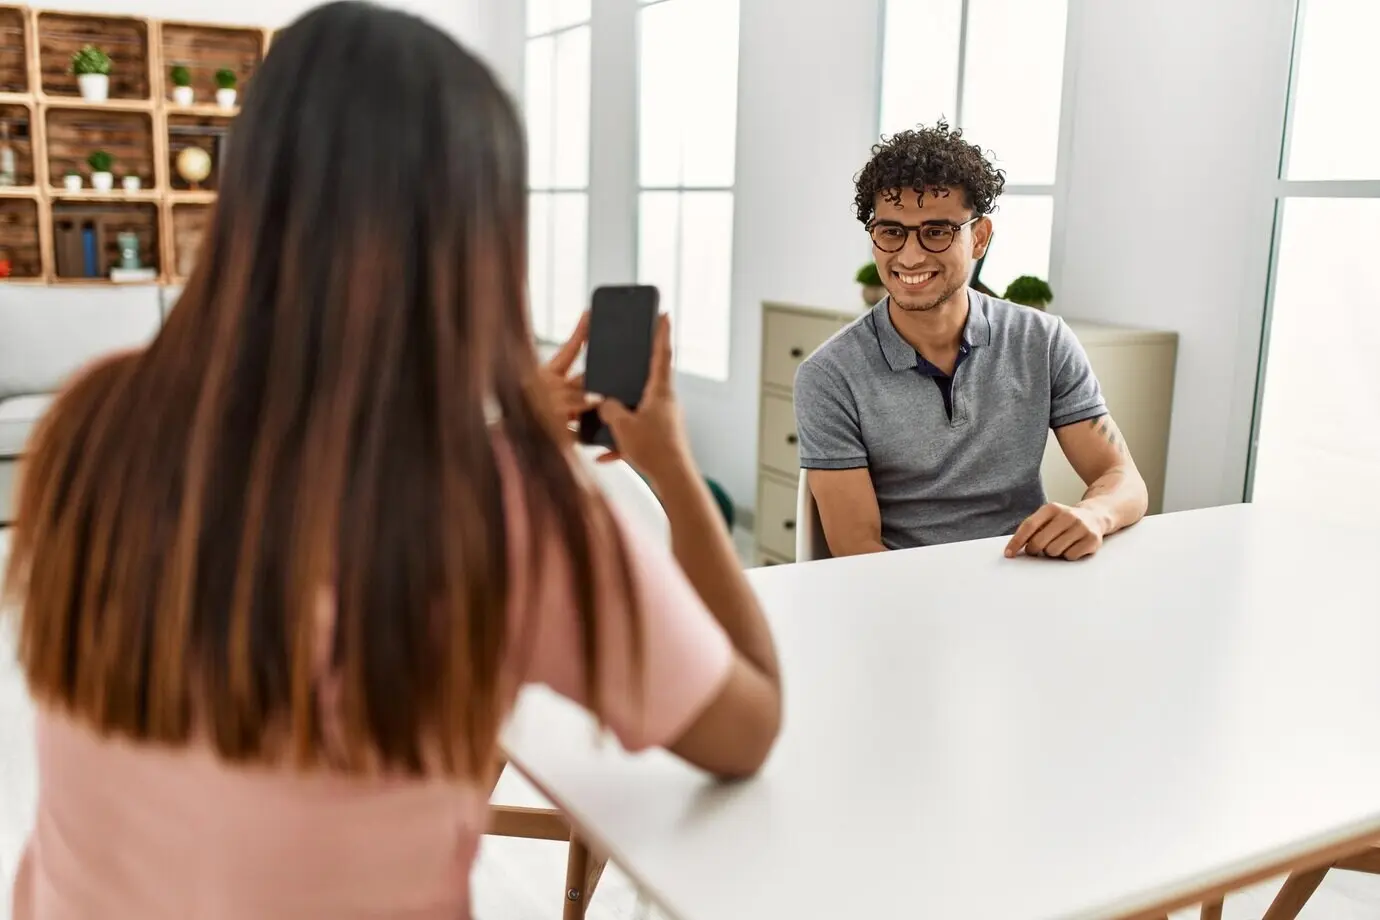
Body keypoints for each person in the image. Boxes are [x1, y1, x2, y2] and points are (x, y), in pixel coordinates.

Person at [1, 5, 781, 918]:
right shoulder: (508, 508)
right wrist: (672, 466)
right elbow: (748, 726)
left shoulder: (95, 419)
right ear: (476, 238)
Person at [795, 121, 1147, 560]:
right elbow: (857, 547)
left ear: (979, 238)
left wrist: (1095, 515)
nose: (909, 255)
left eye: (937, 231)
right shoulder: (829, 376)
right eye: (891, 232)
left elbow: (1121, 477)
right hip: (901, 590)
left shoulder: (1043, 340)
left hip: (1022, 573)